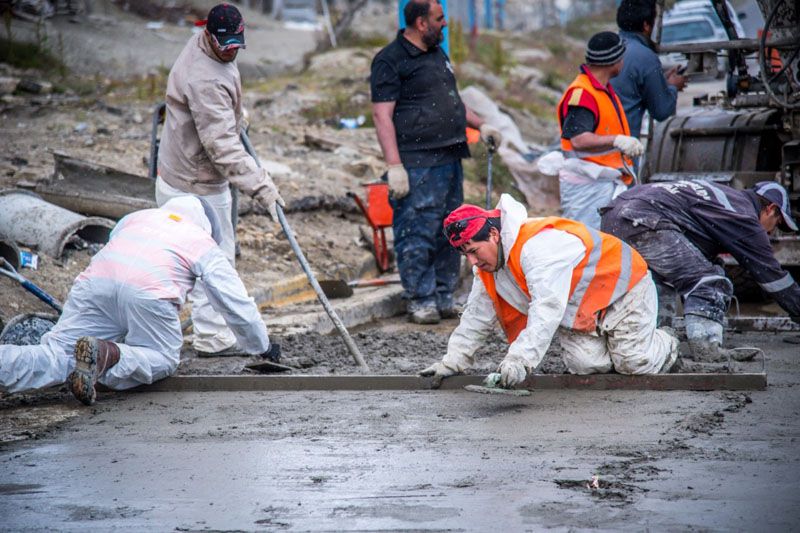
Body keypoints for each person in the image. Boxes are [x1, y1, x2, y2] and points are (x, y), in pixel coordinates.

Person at [0, 197, 273, 405]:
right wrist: (262, 345)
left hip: (95, 285)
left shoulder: (135, 218)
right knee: (162, 357)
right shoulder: (202, 241)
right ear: (206, 227)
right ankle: (107, 355)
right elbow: (235, 303)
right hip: (149, 292)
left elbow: (118, 255)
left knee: (58, 353)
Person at [419, 194, 678, 388]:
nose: (473, 262)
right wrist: (451, 362)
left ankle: (666, 345)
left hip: (623, 290)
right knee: (586, 366)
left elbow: (547, 307)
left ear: (494, 234)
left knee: (633, 363)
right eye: (466, 255)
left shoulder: (537, 247)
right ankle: (619, 343)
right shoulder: (488, 268)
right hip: (585, 308)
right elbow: (476, 317)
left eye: (474, 251)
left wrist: (520, 359)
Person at [157, 3, 284, 356]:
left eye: (235, 45)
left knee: (196, 258)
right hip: (195, 185)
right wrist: (262, 187)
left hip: (181, 170)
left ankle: (207, 331)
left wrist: (234, 114)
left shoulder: (205, 46)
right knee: (214, 262)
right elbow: (223, 149)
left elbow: (216, 109)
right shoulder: (206, 78)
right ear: (209, 35)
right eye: (224, 45)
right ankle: (213, 338)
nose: (230, 51)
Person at [370, 0, 502, 324]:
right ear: (420, 23)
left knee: (451, 231)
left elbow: (452, 101)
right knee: (417, 232)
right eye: (439, 18)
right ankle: (420, 299)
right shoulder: (391, 60)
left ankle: (444, 296)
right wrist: (394, 166)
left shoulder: (437, 54)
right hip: (417, 163)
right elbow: (381, 115)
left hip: (450, 156)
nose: (445, 24)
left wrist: (481, 125)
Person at [601, 180, 800, 360]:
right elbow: (772, 276)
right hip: (643, 219)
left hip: (614, 215)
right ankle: (707, 348)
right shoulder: (744, 215)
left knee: (658, 282)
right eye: (777, 224)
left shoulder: (723, 197)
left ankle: (655, 338)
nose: (771, 232)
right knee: (708, 282)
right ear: (770, 209)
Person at [556, 31, 643, 229]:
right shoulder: (583, 94)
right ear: (613, 61)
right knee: (589, 242)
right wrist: (617, 140)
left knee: (604, 241)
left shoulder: (599, 90)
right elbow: (578, 140)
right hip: (587, 189)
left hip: (599, 184)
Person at [611, 0, 687, 139]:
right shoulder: (646, 57)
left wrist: (661, 81)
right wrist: (672, 87)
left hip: (595, 142)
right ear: (646, 25)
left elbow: (626, 88)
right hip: (621, 145)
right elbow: (661, 111)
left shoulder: (608, 48)